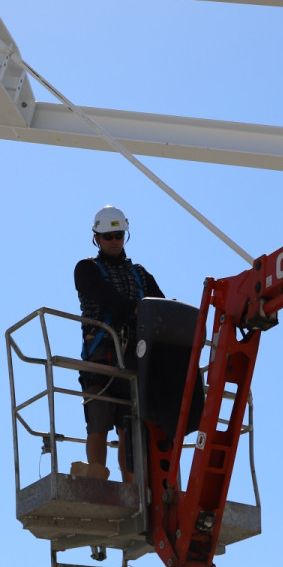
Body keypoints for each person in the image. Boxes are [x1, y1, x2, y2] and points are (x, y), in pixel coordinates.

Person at [73, 205, 164, 483]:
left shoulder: (140, 274)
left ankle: (131, 485)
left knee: (129, 426)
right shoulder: (87, 269)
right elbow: (106, 298)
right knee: (99, 422)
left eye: (119, 235)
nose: (114, 241)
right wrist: (138, 311)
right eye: (108, 236)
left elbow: (160, 304)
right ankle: (97, 480)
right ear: (97, 238)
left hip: (133, 358)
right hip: (101, 355)